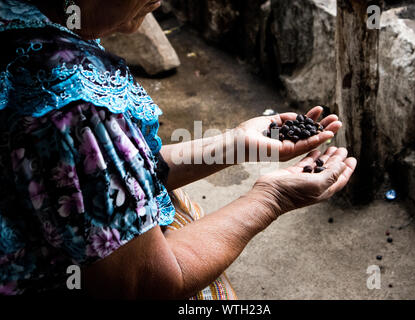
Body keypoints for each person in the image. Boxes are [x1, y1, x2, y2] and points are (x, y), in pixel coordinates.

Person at [0, 0, 357, 298]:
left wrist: (234, 144)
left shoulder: (21, 21)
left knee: (178, 202)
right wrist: (271, 198)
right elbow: (150, 283)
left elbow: (109, 178)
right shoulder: (70, 106)